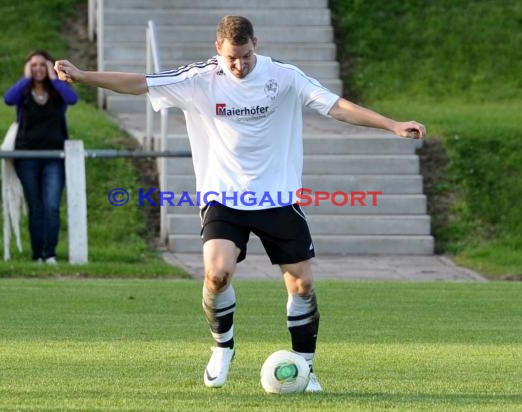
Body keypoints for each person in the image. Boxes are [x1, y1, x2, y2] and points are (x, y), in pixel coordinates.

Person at [54, 15, 426, 391]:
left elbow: (336, 106)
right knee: (217, 274)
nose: (239, 65)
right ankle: (222, 346)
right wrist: (84, 75)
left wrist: (392, 125)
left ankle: (305, 368)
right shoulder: (199, 79)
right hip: (223, 196)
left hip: (277, 196)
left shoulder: (284, 76)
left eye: (246, 56)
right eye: (232, 57)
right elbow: (139, 83)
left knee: (301, 285)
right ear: (218, 49)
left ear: (256, 45)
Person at [4, 50, 78, 264]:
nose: (38, 69)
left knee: (52, 206)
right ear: (28, 67)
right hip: (27, 156)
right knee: (36, 206)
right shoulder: (24, 93)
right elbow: (8, 99)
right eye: (33, 65)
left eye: (42, 65)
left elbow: (72, 99)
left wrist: (55, 79)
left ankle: (50, 253)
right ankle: (37, 255)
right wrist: (26, 78)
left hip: (54, 156)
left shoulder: (57, 92)